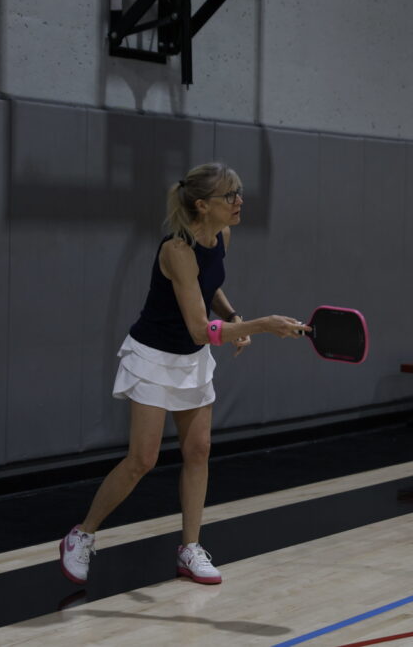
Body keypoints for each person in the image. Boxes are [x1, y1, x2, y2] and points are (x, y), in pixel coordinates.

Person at [60, 162, 308, 585]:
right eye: (229, 196)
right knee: (143, 459)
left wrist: (233, 316)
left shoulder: (221, 236)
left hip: (192, 359)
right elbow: (198, 327)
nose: (239, 201)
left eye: (239, 192)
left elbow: (208, 288)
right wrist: (261, 325)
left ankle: (190, 548)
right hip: (154, 357)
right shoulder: (176, 250)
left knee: (199, 451)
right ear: (202, 205)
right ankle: (81, 535)